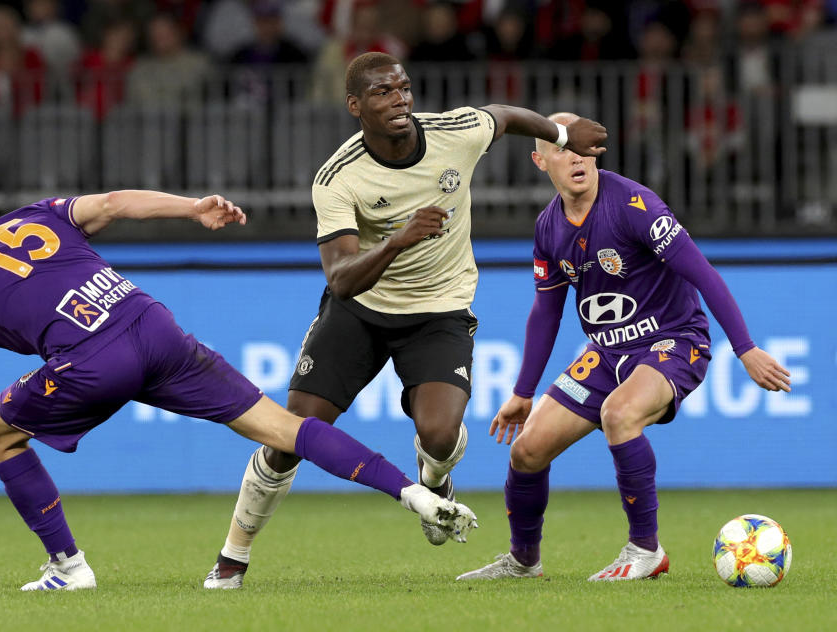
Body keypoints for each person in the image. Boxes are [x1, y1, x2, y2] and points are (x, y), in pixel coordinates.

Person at [0, 189, 478, 590]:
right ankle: (416, 494)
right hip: (150, 322)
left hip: (89, 361)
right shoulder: (38, 215)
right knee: (283, 429)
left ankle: (68, 566)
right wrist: (192, 207)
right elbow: (112, 204)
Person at [203, 52, 609, 590]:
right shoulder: (337, 178)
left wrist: (560, 134)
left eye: (403, 88)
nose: (398, 99)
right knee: (288, 434)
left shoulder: (455, 133)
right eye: (381, 92)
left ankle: (435, 481)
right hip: (361, 312)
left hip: (440, 309)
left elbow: (506, 116)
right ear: (355, 105)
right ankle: (233, 557)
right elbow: (342, 279)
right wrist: (397, 239)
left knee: (439, 433)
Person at [455, 112, 791, 583]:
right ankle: (523, 562)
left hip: (672, 340)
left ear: (595, 152)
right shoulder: (548, 228)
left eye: (581, 147)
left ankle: (646, 549)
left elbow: (703, 273)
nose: (575, 157)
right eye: (561, 147)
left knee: (619, 414)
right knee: (527, 450)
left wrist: (745, 348)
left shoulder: (634, 204)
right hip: (607, 352)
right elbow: (546, 313)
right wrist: (523, 391)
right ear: (540, 160)